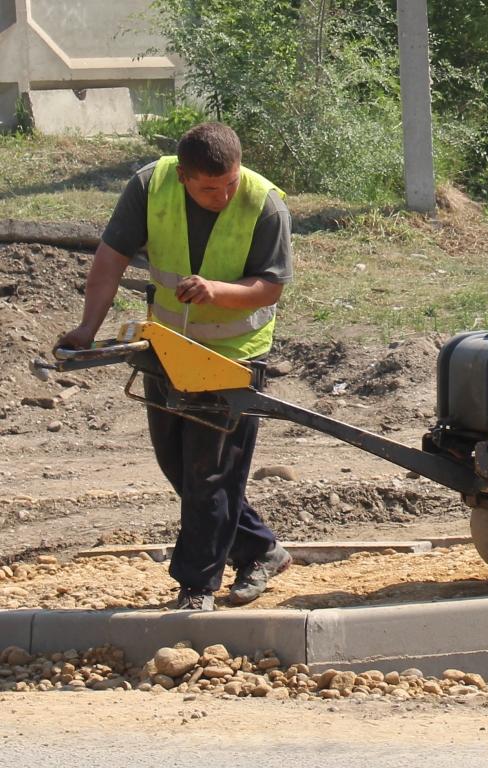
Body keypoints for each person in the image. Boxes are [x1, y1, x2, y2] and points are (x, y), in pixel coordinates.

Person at [58, 122, 293, 611]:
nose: (223, 195)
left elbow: (269, 287)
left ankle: (196, 587)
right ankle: (260, 549)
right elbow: (109, 261)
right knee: (180, 467)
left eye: (230, 182)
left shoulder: (265, 204)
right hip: (168, 346)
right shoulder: (150, 187)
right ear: (184, 176)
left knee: (209, 473)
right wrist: (86, 329)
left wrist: (217, 290)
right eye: (209, 188)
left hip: (233, 355)